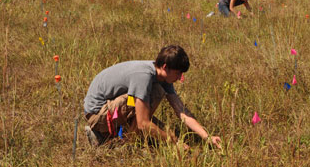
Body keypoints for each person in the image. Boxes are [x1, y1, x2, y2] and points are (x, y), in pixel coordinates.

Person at [83, 45, 222, 149]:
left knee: (156, 99)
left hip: (112, 107)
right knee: (153, 97)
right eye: (178, 73)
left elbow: (181, 111)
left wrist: (206, 136)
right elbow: (143, 123)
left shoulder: (161, 77)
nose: (180, 78)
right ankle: (121, 142)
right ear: (166, 67)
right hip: (97, 115)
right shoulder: (144, 77)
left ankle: (122, 136)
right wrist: (174, 142)